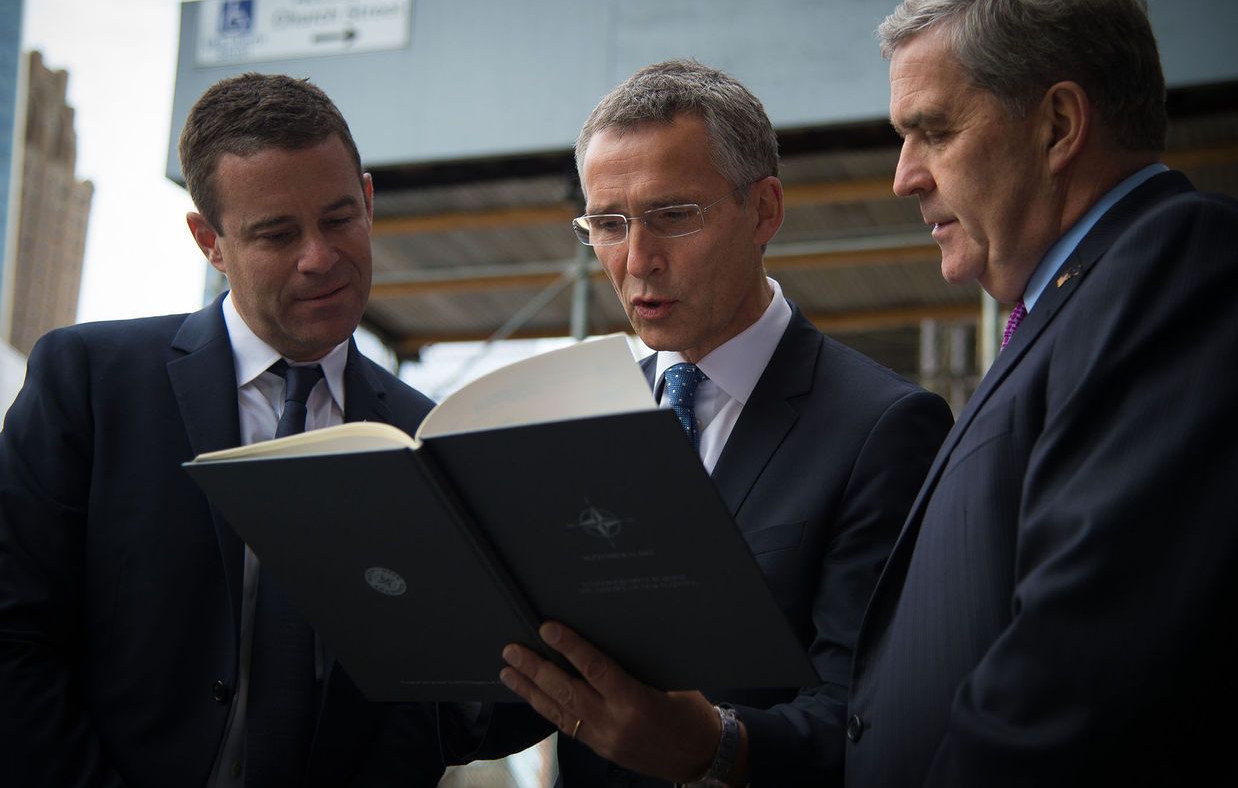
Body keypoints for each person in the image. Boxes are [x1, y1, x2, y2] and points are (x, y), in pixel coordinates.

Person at [842, 0, 1238, 786]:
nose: (903, 177)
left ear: (1059, 124)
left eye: (931, 130)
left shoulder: (1183, 263)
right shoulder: (1069, 306)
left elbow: (1086, 656)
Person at [488, 60, 954, 786]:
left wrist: (715, 746)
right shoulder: (583, 418)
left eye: (673, 216)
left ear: (764, 210)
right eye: (608, 224)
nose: (636, 261)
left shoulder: (884, 428)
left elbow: (868, 721)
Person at [0, 73, 447, 786]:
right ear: (209, 240)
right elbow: (14, 636)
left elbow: (424, 701)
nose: (320, 256)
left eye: (338, 219)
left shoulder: (426, 434)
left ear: (367, 200)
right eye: (277, 233)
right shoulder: (88, 382)